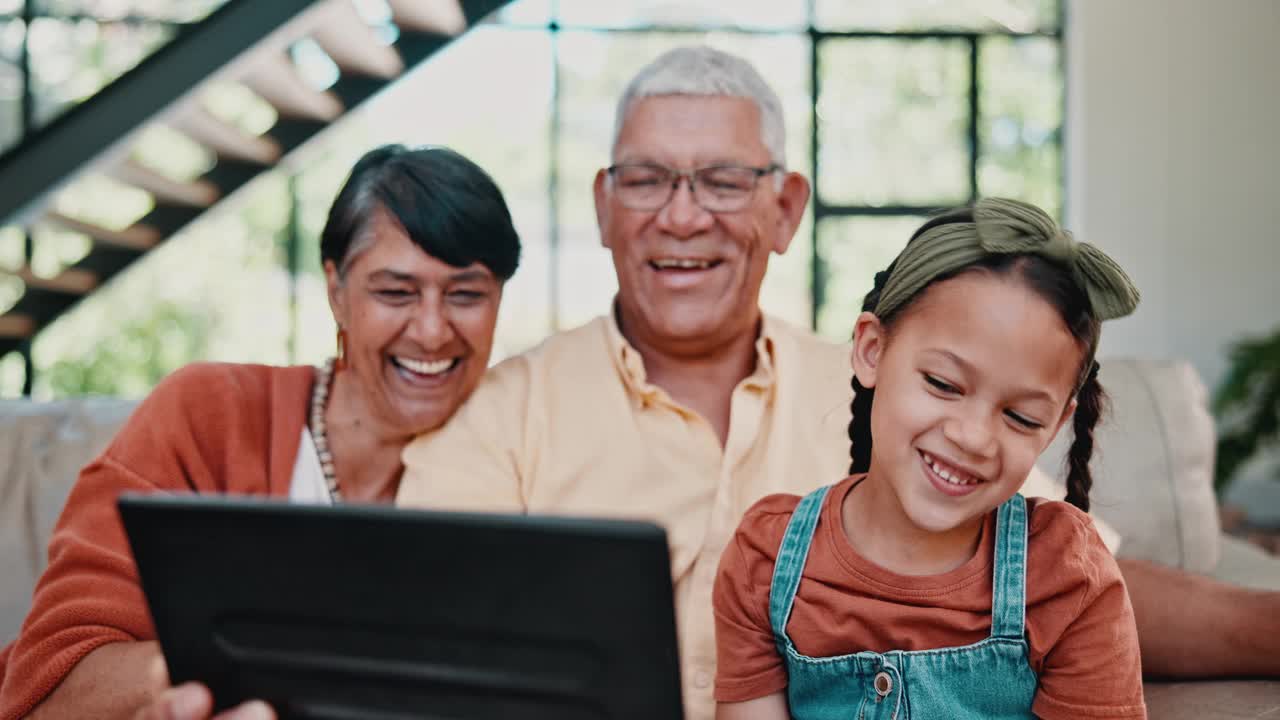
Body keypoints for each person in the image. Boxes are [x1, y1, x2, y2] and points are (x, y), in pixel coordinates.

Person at [399, 45, 1280, 720]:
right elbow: (423, 645)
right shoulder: (500, 413)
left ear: (784, 209)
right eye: (646, 179)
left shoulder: (904, 398)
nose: (680, 213)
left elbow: (1073, 580)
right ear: (603, 204)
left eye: (722, 181)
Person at [0, 144, 522, 720]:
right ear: (336, 291)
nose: (430, 331)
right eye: (395, 292)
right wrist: (260, 660)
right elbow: (47, 688)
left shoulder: (524, 449)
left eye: (466, 294)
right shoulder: (209, 415)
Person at [713, 199, 1146, 719]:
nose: (973, 438)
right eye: (943, 384)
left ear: (1055, 426)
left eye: (1021, 417)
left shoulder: (1067, 576)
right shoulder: (766, 558)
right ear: (872, 350)